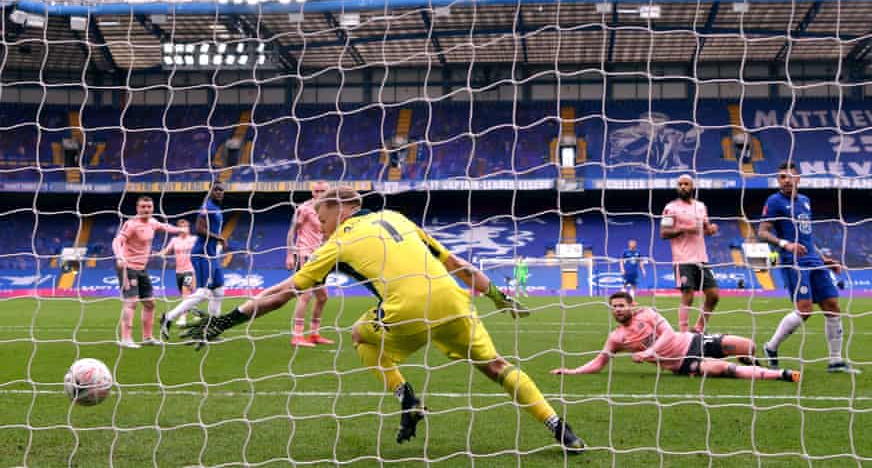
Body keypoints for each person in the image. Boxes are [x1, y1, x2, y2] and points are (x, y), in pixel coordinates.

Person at [179, 187, 585, 452]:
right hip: (454, 301)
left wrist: (226, 320)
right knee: (497, 367)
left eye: (321, 220)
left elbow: (284, 292)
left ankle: (404, 394)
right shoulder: (400, 218)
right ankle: (558, 427)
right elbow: (458, 263)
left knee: (359, 334)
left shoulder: (337, 241)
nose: (320, 229)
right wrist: (500, 297)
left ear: (341, 209)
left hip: (405, 310)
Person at [551, 291, 799, 383]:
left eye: (620, 305)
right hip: (683, 363)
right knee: (725, 369)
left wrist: (649, 352)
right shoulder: (616, 338)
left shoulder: (647, 313)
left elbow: (669, 333)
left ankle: (754, 364)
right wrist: (572, 372)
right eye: (613, 307)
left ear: (631, 305)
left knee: (749, 346)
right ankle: (781, 375)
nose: (617, 309)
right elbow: (599, 362)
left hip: (692, 341)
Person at [757, 162, 860, 374]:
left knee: (832, 305)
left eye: (790, 176)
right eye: (782, 177)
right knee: (805, 310)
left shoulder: (805, 202)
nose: (786, 180)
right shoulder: (774, 201)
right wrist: (786, 244)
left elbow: (808, 237)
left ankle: (835, 361)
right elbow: (763, 231)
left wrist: (825, 260)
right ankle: (770, 347)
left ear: (798, 178)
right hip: (792, 261)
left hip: (814, 260)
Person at [112, 196, 181, 348]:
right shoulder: (131, 224)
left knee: (149, 303)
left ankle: (147, 337)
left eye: (149, 207)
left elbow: (165, 227)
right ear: (137, 208)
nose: (146, 209)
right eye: (143, 207)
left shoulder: (153, 222)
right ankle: (125, 338)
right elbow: (117, 241)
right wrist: (119, 257)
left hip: (142, 268)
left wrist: (181, 229)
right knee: (131, 303)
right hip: (128, 267)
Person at [161, 182, 228, 338]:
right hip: (202, 253)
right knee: (203, 292)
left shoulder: (216, 208)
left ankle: (211, 330)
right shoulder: (207, 207)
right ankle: (169, 317)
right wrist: (219, 238)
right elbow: (199, 229)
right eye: (216, 190)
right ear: (210, 192)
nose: (219, 193)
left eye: (221, 190)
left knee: (219, 291)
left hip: (211, 254)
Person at [660, 174, 720, 333]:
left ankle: (699, 328)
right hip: (683, 259)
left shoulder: (701, 206)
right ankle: (683, 333)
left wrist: (711, 229)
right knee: (688, 295)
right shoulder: (670, 208)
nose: (683, 187)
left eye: (686, 184)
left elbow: (706, 228)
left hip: (702, 258)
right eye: (680, 184)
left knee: (713, 295)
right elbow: (664, 233)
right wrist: (685, 229)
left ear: (692, 186)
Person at [287, 181, 334, 347]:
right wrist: (290, 254)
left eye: (323, 191)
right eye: (317, 191)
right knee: (305, 295)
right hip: (305, 255)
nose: (320, 193)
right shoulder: (305, 208)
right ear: (312, 192)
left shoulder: (329, 209)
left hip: (319, 257)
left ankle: (314, 334)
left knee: (322, 297)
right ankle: (297, 336)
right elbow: (292, 231)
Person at [159, 219, 198, 327]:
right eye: (182, 226)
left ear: (189, 228)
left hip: (191, 270)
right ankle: (196, 311)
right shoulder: (174, 240)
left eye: (186, 226)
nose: (184, 229)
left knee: (186, 292)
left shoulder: (194, 239)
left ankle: (182, 318)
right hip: (178, 271)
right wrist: (161, 254)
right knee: (187, 295)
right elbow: (166, 251)